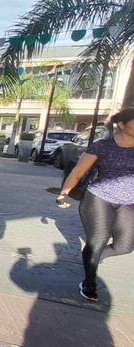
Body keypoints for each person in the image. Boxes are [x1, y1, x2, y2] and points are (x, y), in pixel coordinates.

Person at [56, 108, 134, 302]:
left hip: (128, 202)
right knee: (97, 241)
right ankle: (89, 283)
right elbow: (77, 172)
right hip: (99, 198)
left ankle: (94, 258)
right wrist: (64, 194)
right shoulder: (102, 146)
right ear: (122, 125)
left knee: (125, 246)